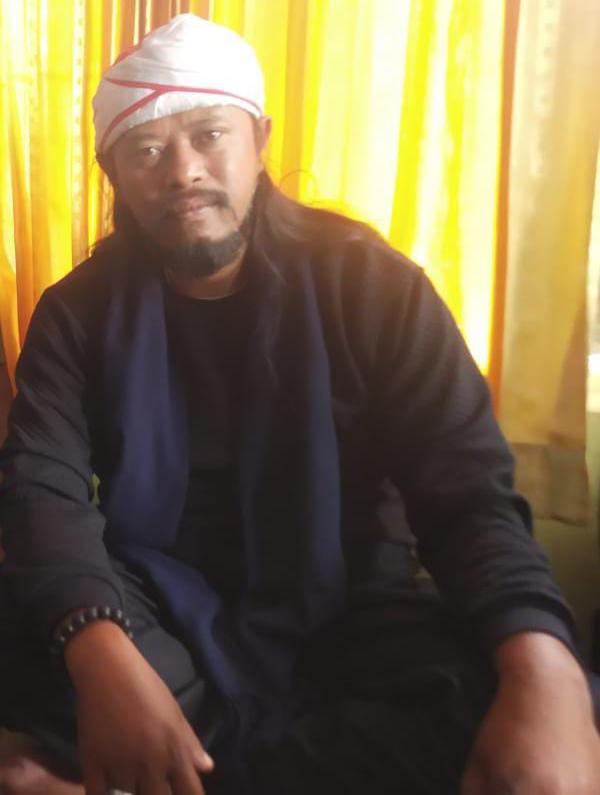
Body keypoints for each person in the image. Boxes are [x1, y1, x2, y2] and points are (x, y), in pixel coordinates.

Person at [0, 13, 598, 795]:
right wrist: (100, 650)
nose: (182, 171)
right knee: (34, 618)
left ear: (259, 140)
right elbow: (41, 491)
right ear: (114, 174)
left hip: (351, 613)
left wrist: (544, 669)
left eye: (209, 135)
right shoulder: (78, 312)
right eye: (146, 151)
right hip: (157, 611)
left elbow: (468, 497)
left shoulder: (375, 287)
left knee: (503, 694)